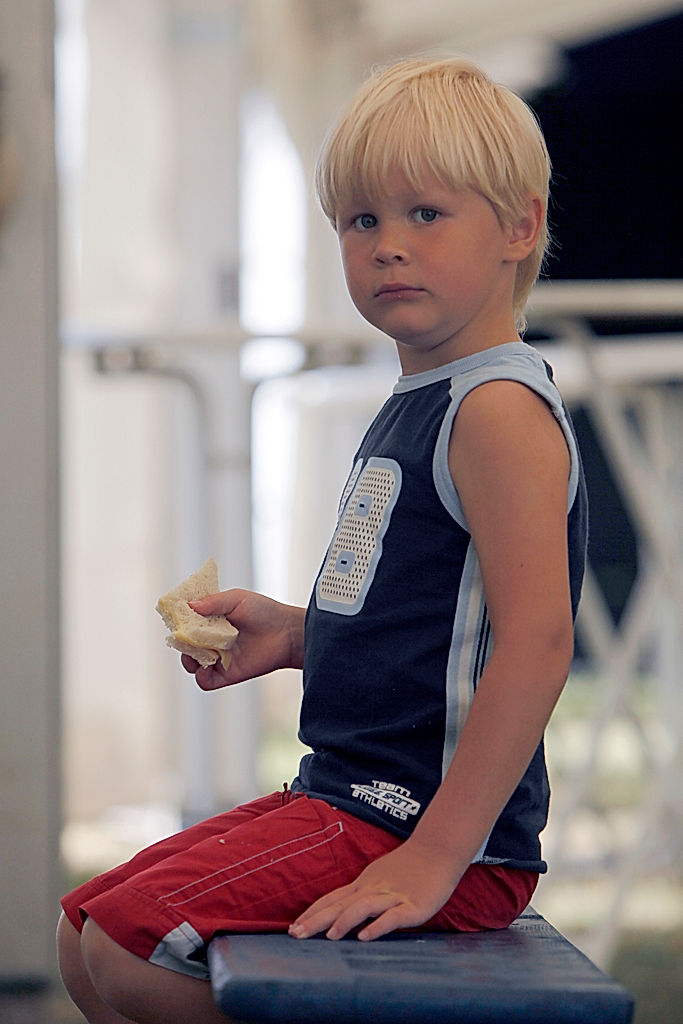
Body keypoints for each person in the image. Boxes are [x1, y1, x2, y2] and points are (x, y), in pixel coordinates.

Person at [56, 56, 588, 1024]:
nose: (389, 247)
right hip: (347, 795)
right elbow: (434, 623)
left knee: (130, 951)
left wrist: (435, 854)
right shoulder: (422, 398)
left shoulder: (495, 411)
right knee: (82, 929)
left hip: (424, 827)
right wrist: (299, 634)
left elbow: (536, 641)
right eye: (361, 221)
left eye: (425, 214)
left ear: (519, 227)